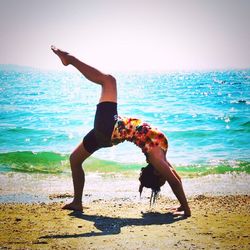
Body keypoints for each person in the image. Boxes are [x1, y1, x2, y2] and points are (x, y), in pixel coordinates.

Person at [51, 46, 191, 217]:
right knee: (74, 159)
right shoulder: (160, 155)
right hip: (107, 133)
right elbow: (177, 179)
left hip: (109, 128)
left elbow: (174, 182)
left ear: (156, 172)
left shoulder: (155, 157)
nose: (166, 177)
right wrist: (183, 206)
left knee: (109, 81)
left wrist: (187, 210)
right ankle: (77, 203)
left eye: (161, 179)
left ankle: (70, 59)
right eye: (163, 180)